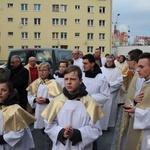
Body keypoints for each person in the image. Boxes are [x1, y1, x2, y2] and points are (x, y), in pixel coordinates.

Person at [41, 65, 105, 150]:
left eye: (73, 79)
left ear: (80, 81)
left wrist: (76, 134)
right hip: (61, 146)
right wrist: (62, 132)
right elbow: (49, 124)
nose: (69, 82)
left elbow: (95, 129)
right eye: (66, 79)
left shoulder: (90, 102)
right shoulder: (57, 101)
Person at [118, 52, 150, 150]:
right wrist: (135, 102)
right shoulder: (146, 83)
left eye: (141, 67)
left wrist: (136, 111)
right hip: (139, 127)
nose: (138, 70)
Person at [26, 62, 62, 150]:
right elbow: (30, 95)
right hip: (40, 110)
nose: (42, 72)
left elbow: (59, 98)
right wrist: (35, 99)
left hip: (50, 111)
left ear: (49, 71)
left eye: (44, 70)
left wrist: (47, 100)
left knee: (49, 133)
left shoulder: (54, 83)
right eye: (40, 70)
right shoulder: (36, 83)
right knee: (43, 130)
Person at [0, 78, 36, 150]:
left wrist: (2, 139)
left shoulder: (15, 110)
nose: (0, 93)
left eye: (3, 90)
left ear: (10, 92)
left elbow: (18, 132)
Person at [82, 54, 110, 131]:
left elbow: (105, 95)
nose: (83, 65)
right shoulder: (81, 76)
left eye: (86, 63)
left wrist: (90, 97)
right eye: (83, 63)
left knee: (92, 131)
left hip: (93, 108)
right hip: (81, 108)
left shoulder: (101, 78)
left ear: (92, 64)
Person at [101, 56, 123, 128]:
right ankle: (100, 126)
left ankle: (108, 125)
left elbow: (119, 82)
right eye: (108, 61)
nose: (109, 63)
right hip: (102, 94)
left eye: (110, 61)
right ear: (105, 61)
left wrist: (109, 84)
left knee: (110, 111)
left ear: (113, 62)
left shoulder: (118, 71)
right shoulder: (101, 69)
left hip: (112, 94)